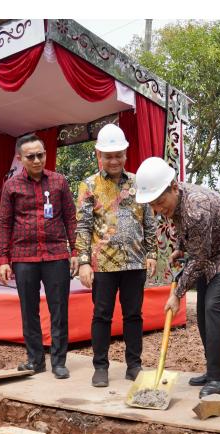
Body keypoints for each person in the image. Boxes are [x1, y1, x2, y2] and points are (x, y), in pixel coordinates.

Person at [134, 157, 220, 398]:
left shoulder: (196, 208)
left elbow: (199, 260)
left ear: (173, 187)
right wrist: (180, 247)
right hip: (211, 251)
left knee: (214, 309)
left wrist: (177, 294)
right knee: (203, 313)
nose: (158, 210)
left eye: (160, 202)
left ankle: (218, 379)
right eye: (152, 205)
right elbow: (184, 231)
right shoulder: (177, 202)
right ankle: (219, 369)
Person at [75, 124, 158, 388]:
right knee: (102, 316)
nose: (113, 160)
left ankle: (134, 365)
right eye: (108, 155)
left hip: (135, 262)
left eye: (118, 155)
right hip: (103, 265)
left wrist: (152, 252)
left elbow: (149, 221)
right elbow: (83, 226)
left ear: (125, 154)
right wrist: (84, 262)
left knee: (134, 315)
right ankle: (100, 366)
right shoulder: (88, 186)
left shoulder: (137, 183)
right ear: (98, 155)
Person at [0, 134, 77, 379]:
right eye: (31, 156)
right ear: (20, 159)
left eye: (41, 154)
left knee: (59, 309)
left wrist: (76, 252)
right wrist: (3, 260)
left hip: (56, 255)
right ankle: (35, 360)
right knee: (28, 310)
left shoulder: (59, 182)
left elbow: (71, 219)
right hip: (24, 257)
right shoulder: (11, 186)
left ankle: (59, 361)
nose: (37, 160)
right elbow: (4, 223)